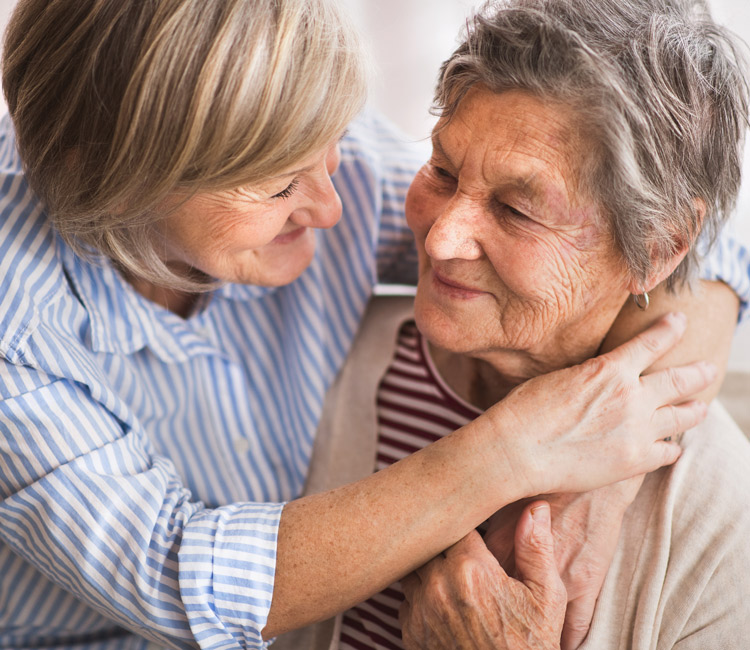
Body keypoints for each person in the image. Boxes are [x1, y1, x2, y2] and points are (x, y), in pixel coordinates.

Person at [0, 1, 745, 649]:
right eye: (280, 184)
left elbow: (697, 236)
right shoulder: (20, 328)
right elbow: (174, 576)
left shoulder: (306, 157)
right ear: (117, 178)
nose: (333, 207)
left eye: (329, 147)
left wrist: (606, 469)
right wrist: (517, 451)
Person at [271, 0, 750, 648]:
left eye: (517, 211)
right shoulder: (333, 361)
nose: (441, 240)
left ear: (662, 246)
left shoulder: (721, 519)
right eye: (442, 169)